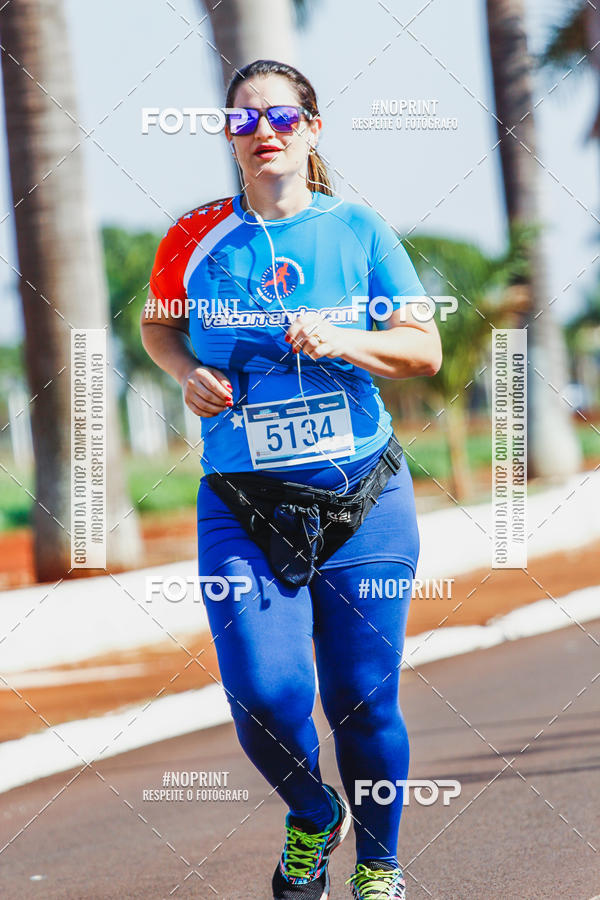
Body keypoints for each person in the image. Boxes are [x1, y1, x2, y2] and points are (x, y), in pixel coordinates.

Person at [141, 58, 441, 900]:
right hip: (242, 504)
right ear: (229, 136)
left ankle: (379, 866)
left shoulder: (357, 229)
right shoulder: (194, 235)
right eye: (243, 120)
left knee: (362, 699)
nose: (262, 133)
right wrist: (181, 373)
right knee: (266, 697)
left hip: (362, 497)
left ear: (311, 128)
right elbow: (157, 327)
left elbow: (425, 349)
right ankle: (313, 814)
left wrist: (345, 339)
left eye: (279, 117)